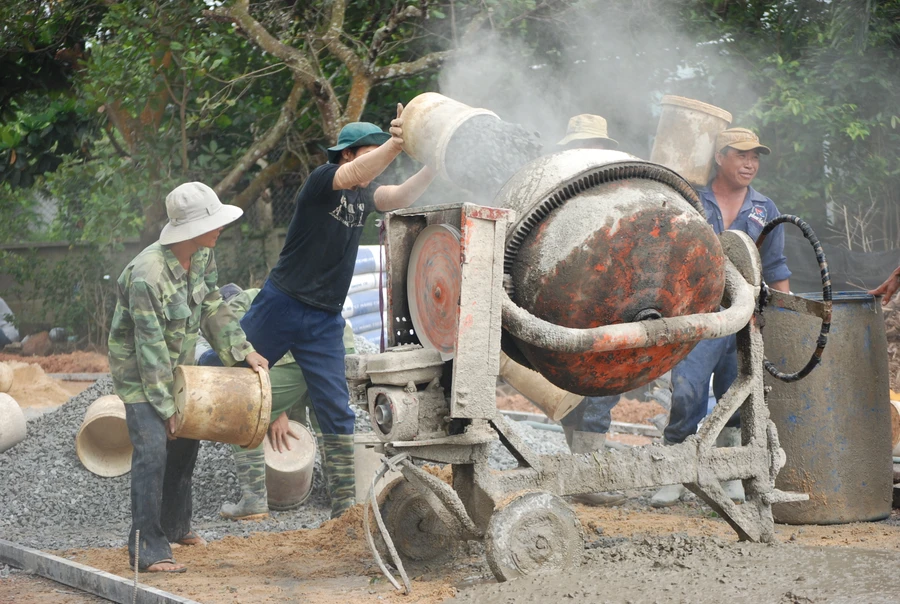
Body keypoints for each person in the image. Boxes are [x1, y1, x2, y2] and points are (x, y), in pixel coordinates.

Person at [216, 105, 435, 519]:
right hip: (281, 303)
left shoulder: (365, 194)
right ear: (349, 155)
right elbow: (353, 174)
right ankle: (251, 499)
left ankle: (344, 510)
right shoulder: (322, 181)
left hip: (323, 319)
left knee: (336, 409)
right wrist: (396, 142)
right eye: (369, 155)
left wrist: (434, 167)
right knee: (233, 377)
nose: (377, 166)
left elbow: (399, 196)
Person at [108, 182, 268, 573]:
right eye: (212, 223)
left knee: (185, 445)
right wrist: (165, 408)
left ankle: (177, 527)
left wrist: (242, 351)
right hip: (139, 373)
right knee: (153, 451)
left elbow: (213, 306)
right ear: (189, 229)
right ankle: (147, 548)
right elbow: (149, 351)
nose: (219, 229)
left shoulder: (201, 255)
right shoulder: (147, 276)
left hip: (180, 366)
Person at [651, 127, 791, 508]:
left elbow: (775, 265)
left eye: (755, 157)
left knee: (736, 396)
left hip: (745, 321)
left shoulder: (764, 209)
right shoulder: (693, 200)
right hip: (698, 316)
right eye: (741, 155)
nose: (750, 164)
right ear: (719, 157)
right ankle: (674, 473)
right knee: (687, 393)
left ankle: (730, 474)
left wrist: (781, 315)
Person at [197, 285, 357, 520]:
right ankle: (344, 502)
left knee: (240, 406)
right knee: (328, 419)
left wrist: (271, 411)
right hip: (338, 354)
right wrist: (280, 411)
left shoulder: (237, 303)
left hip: (293, 358)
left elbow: (246, 349)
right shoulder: (281, 293)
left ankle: (254, 501)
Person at [553, 114, 626, 506]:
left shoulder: (621, 190)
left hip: (610, 306)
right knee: (568, 384)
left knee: (603, 387)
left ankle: (589, 473)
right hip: (565, 305)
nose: (590, 155)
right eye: (584, 147)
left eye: (596, 147)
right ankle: (584, 471)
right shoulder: (556, 193)